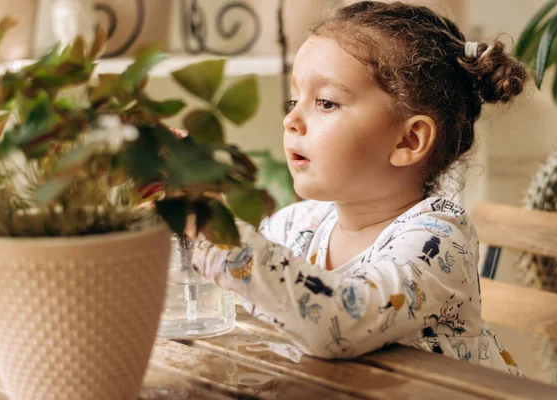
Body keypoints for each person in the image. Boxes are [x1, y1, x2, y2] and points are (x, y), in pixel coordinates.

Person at [193, 0, 527, 376]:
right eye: (294, 99)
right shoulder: (294, 228)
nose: (291, 119)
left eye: (325, 102)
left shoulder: (436, 240)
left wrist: (216, 235)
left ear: (408, 141)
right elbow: (226, 297)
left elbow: (338, 323)